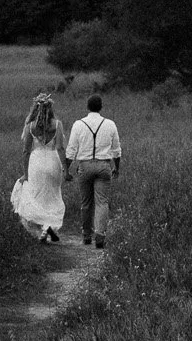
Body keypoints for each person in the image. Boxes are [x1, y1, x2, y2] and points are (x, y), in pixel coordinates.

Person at [9, 92, 67, 243]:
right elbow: (60, 148)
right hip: (53, 162)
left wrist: (25, 174)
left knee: (37, 196)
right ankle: (49, 227)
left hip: (36, 163)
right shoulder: (57, 125)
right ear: (50, 108)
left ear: (35, 109)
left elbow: (26, 151)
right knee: (52, 196)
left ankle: (43, 229)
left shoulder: (30, 127)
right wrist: (65, 169)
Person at [66, 94, 121, 248]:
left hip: (84, 165)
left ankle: (86, 235)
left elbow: (71, 150)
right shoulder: (110, 124)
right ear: (101, 107)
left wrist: (67, 169)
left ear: (87, 107)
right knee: (102, 202)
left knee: (86, 202)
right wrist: (117, 167)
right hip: (104, 165)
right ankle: (100, 235)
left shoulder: (79, 124)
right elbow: (116, 150)